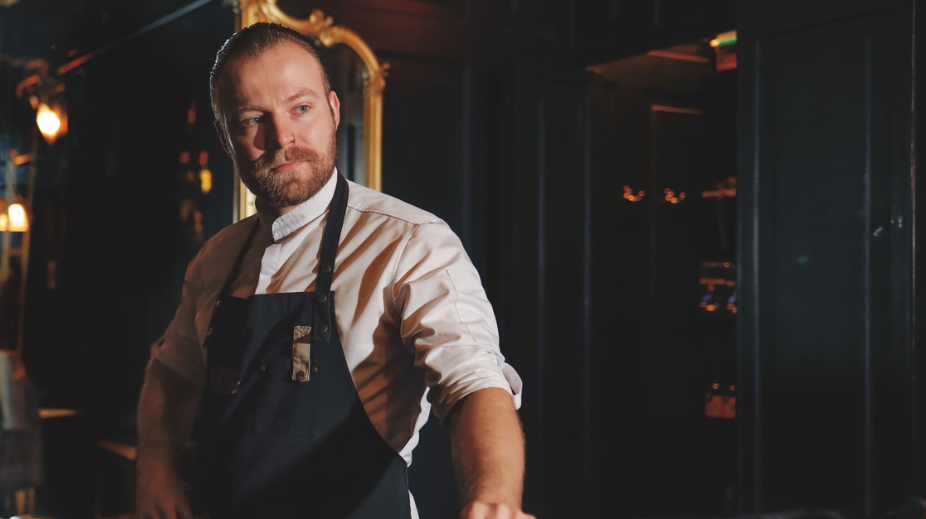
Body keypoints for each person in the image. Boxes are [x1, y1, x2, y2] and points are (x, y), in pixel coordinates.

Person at [135, 22, 531, 519]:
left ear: (334, 110)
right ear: (226, 137)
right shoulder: (216, 258)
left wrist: (493, 497)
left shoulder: (410, 241)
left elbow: (473, 382)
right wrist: (154, 468)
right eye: (253, 119)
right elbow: (172, 371)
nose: (282, 137)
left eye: (301, 108)